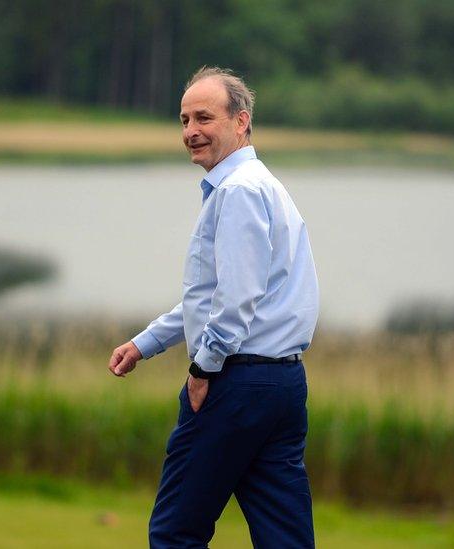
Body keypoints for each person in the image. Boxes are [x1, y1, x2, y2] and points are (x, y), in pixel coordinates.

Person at [107, 66, 320, 549]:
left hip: (235, 383)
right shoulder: (262, 184)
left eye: (204, 117)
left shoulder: (238, 191)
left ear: (241, 121)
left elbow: (235, 300)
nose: (190, 132)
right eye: (183, 120)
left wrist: (204, 368)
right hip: (282, 385)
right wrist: (146, 343)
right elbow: (213, 298)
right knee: (284, 537)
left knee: (176, 531)